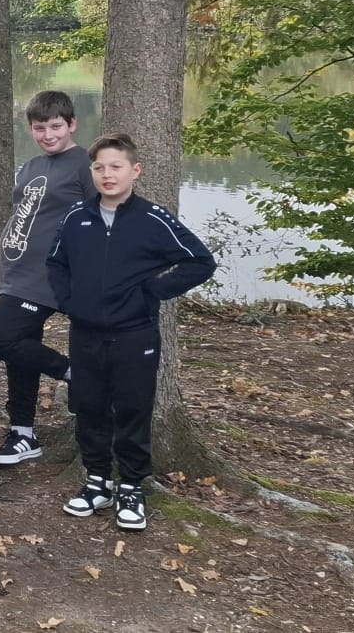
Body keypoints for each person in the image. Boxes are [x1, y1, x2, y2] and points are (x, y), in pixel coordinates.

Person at [48, 134, 216, 533]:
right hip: (85, 333)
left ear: (134, 171)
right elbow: (56, 263)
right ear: (92, 172)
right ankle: (96, 482)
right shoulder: (76, 217)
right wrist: (69, 301)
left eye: (116, 167)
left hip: (135, 334)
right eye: (99, 167)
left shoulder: (152, 219)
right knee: (89, 407)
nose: (107, 174)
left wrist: (151, 291)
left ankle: (131, 488)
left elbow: (200, 261)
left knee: (132, 409)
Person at [0, 91, 96, 466]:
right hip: (17, 273)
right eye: (39, 128)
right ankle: (23, 434)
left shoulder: (85, 165)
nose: (48, 135)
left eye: (56, 126)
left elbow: (101, 220)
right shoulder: (32, 166)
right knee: (20, 351)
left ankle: (76, 374)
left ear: (72, 124)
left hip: (46, 277)